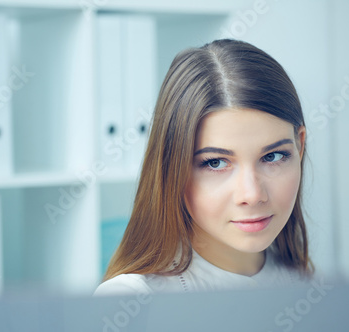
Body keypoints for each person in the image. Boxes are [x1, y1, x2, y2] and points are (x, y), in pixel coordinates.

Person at [94, 39, 314, 296]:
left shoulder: (304, 281)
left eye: (273, 156)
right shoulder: (130, 300)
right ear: (172, 167)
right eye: (215, 163)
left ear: (299, 146)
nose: (252, 195)